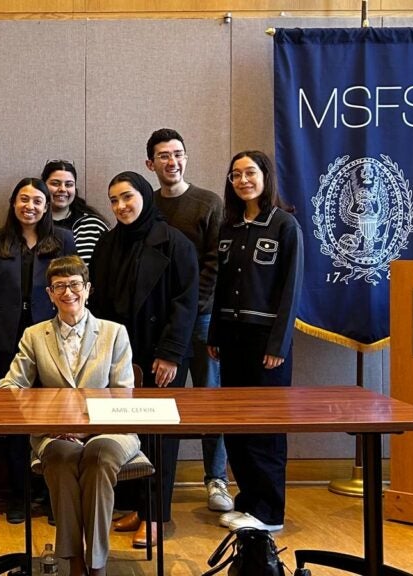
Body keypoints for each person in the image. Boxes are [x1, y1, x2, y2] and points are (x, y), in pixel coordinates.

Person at [0, 255, 139, 576]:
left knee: (99, 456)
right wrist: (51, 421)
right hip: (56, 434)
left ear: (87, 289)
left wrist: (85, 427)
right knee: (63, 456)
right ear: (49, 294)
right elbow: (11, 387)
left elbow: (122, 394)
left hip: (110, 431)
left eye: (75, 284)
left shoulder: (114, 333)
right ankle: (73, 561)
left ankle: (97, 562)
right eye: (59, 286)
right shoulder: (34, 335)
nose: (68, 292)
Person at [89, 171, 197, 547]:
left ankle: (156, 516)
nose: (120, 206)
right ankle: (136, 506)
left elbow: (186, 305)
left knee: (159, 437)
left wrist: (170, 355)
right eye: (114, 200)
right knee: (126, 433)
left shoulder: (175, 243)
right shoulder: (107, 243)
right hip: (120, 356)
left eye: (127, 197)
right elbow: (99, 304)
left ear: (144, 196)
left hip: (160, 355)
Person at [207, 150, 303, 533]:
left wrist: (277, 346)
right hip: (231, 338)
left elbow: (291, 291)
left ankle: (270, 512)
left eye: (250, 173)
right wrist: (214, 333)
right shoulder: (229, 227)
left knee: (265, 427)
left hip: (266, 342)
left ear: (265, 176)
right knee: (237, 424)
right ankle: (248, 502)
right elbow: (220, 287)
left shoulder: (284, 225)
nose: (243, 180)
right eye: (235, 175)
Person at [0, 177, 76, 522]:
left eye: (36, 201)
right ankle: (19, 495)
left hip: (53, 343)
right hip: (6, 344)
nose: (29, 207)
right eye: (23, 200)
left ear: (47, 207)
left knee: (52, 420)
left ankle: (51, 496)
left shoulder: (62, 239)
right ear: (13, 204)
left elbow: (72, 290)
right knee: (15, 422)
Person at [144, 128, 231, 513]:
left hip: (204, 318)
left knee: (210, 399)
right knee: (163, 404)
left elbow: (215, 263)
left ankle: (216, 479)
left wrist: (191, 308)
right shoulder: (146, 204)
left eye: (177, 153)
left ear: (186, 158)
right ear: (150, 164)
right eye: (163, 156)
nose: (171, 161)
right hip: (162, 324)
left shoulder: (209, 203)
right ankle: (157, 484)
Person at [42, 160, 109, 268]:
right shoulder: (34, 226)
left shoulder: (94, 225)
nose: (62, 189)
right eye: (55, 183)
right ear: (43, 187)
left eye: (69, 184)